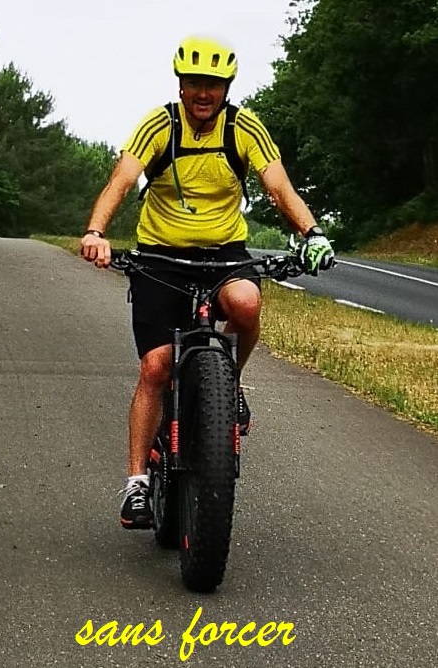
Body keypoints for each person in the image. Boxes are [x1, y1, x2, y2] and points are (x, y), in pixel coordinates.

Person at [81, 35, 334, 530]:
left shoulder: (244, 127)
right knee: (155, 368)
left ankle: (228, 383)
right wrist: (96, 232)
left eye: (213, 85)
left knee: (247, 303)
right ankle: (136, 483)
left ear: (226, 89)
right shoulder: (160, 125)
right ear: (181, 85)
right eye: (195, 83)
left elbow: (277, 185)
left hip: (223, 254)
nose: (203, 93)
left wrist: (313, 232)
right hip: (161, 256)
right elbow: (120, 181)